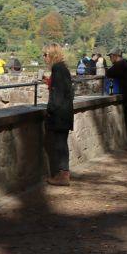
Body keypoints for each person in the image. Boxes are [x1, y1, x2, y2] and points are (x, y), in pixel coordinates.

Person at [42, 43, 74, 186]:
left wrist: (50, 110)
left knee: (60, 144)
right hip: (66, 112)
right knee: (61, 143)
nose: (44, 58)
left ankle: (62, 175)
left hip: (60, 114)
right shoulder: (63, 68)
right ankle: (63, 174)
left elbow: (58, 95)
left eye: (45, 55)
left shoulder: (57, 69)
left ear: (51, 55)